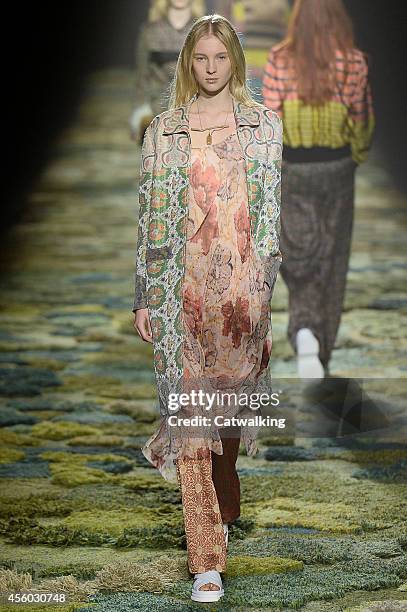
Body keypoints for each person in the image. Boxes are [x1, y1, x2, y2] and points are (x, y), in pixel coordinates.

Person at [132, 13, 283, 602]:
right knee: (189, 419)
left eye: (221, 58)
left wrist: (266, 292)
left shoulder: (264, 128)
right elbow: (148, 218)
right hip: (177, 293)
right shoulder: (162, 131)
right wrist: (143, 295)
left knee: (225, 412)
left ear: (236, 62)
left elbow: (270, 220)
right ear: (188, 64)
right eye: (202, 59)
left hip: (240, 295)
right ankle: (206, 561)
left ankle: (227, 469)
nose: (212, 68)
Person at [262, 0, 375, 379]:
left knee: (298, 252)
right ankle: (318, 342)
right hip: (337, 166)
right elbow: (361, 117)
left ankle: (307, 333)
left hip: (294, 166)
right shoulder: (354, 61)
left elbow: (271, 119)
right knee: (332, 255)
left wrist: (273, 166)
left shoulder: (280, 59)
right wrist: (354, 157)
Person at [129, 0, 205, 143]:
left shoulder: (203, 31)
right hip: (156, 111)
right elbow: (142, 76)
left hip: (193, 113)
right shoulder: (150, 31)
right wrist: (138, 113)